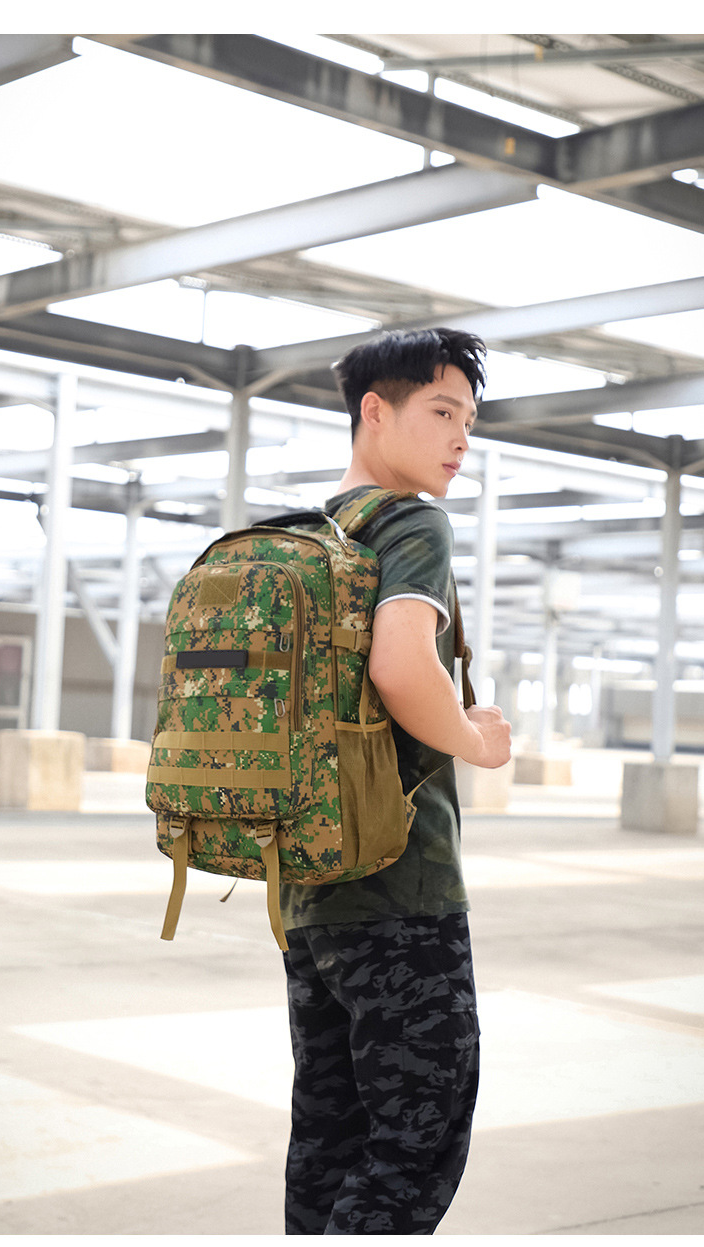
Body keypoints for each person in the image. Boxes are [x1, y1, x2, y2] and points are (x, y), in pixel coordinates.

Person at [278, 326, 512, 1235]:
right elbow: (402, 667)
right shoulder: (411, 523)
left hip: (309, 891)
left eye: (470, 421)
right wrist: (475, 742)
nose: (461, 440)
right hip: (401, 885)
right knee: (416, 1142)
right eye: (443, 412)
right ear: (374, 411)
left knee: (328, 1136)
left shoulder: (308, 533)